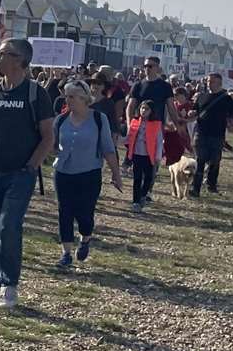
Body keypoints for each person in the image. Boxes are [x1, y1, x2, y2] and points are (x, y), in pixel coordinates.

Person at [0, 38, 55, 309]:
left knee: (8, 227)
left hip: (19, 174)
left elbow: (48, 136)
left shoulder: (35, 93)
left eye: (3, 53)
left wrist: (31, 167)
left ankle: (9, 285)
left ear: (20, 60)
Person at [51, 81, 122, 271]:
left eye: (72, 96)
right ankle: (66, 253)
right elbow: (52, 145)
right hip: (63, 172)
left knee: (84, 212)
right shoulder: (61, 120)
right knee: (64, 212)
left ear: (84, 99)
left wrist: (116, 173)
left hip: (89, 173)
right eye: (67, 96)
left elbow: (108, 148)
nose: (68, 100)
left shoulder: (99, 119)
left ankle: (85, 238)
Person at [126, 55, 176, 208]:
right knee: (138, 163)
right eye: (145, 66)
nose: (147, 69)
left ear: (158, 68)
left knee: (152, 163)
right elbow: (130, 107)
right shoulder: (138, 85)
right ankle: (139, 195)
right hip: (139, 128)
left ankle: (147, 191)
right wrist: (130, 125)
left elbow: (171, 107)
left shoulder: (165, 86)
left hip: (156, 129)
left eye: (150, 66)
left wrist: (177, 123)